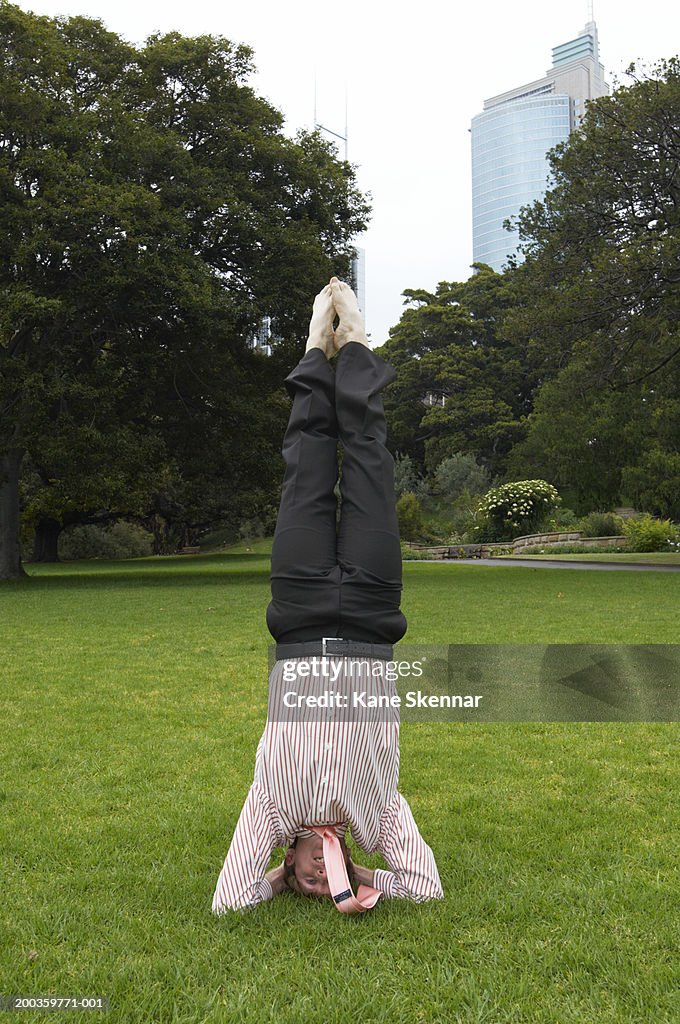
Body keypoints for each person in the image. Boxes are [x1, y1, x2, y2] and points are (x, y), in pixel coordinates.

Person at [211, 277, 443, 913]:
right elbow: (426, 887)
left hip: (299, 613)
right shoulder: (378, 818)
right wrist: (365, 879)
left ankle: (317, 347)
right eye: (324, 881)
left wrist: (273, 883)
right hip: (370, 619)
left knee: (306, 467)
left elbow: (228, 900)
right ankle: (359, 344)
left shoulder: (269, 807)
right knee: (369, 461)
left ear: (285, 863)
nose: (319, 874)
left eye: (306, 879)